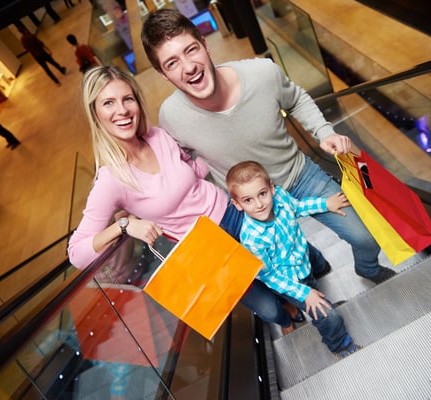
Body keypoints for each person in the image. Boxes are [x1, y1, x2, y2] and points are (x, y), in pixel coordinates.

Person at [140, 8, 396, 284]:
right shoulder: (171, 117)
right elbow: (180, 165)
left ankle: (367, 268)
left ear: (205, 45)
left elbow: (295, 98)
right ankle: (314, 260)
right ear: (163, 75)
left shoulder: (262, 74)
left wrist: (323, 131)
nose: (188, 67)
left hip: (299, 177)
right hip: (247, 204)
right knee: (285, 264)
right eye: (172, 63)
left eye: (191, 50)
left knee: (365, 237)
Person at [68, 65, 301, 336]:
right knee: (268, 308)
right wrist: (124, 226)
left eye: (127, 99)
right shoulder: (110, 180)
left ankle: (305, 305)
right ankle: (287, 319)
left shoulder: (158, 135)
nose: (122, 111)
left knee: (285, 270)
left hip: (233, 214)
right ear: (95, 113)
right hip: (206, 249)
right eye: (108, 103)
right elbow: (77, 253)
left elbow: (192, 170)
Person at [226, 160, 358, 355]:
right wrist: (304, 293)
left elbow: (297, 207)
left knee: (317, 294)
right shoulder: (252, 239)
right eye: (248, 200)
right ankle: (342, 346)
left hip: (304, 264)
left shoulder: (280, 197)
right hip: (288, 282)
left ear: (271, 188)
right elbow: (269, 277)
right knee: (327, 315)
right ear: (237, 204)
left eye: (262, 194)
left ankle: (321, 308)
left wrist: (326, 203)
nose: (259, 204)